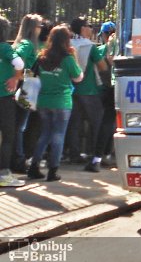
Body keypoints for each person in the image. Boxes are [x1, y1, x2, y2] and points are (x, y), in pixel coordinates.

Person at [28, 25, 83, 181]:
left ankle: (34, 167)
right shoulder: (68, 58)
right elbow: (78, 77)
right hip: (62, 102)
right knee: (58, 135)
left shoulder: (41, 57)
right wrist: (75, 58)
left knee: (45, 134)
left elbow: (31, 75)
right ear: (66, 40)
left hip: (43, 101)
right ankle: (53, 171)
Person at [65, 17, 108, 164]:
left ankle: (74, 154)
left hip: (71, 90)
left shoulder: (68, 45)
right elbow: (103, 66)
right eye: (89, 26)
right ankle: (94, 154)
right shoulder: (90, 46)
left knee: (74, 123)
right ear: (83, 29)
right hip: (89, 90)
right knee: (97, 122)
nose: (91, 29)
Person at [11, 13, 43, 173]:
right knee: (20, 126)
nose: (41, 29)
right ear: (33, 28)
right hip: (26, 86)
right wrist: (19, 76)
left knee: (17, 125)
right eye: (39, 26)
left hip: (22, 84)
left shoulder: (21, 43)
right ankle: (19, 159)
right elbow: (18, 59)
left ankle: (17, 158)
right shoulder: (28, 44)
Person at [84, 21, 117, 172]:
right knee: (110, 124)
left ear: (104, 35)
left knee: (102, 123)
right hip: (118, 88)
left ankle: (96, 156)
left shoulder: (102, 49)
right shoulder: (123, 43)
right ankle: (106, 155)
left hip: (103, 90)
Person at [0, 16, 25, 187]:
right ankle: (4, 174)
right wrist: (16, 78)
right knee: (8, 135)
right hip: (4, 98)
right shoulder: (4, 48)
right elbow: (19, 63)